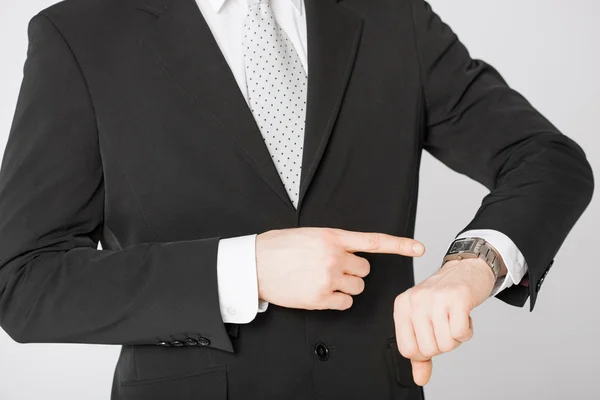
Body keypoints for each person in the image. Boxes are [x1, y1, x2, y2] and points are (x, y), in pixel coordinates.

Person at [0, 0, 593, 399]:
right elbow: (23, 281)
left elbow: (546, 159)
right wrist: (245, 268)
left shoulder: (392, 17)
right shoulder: (81, 33)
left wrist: (472, 266)